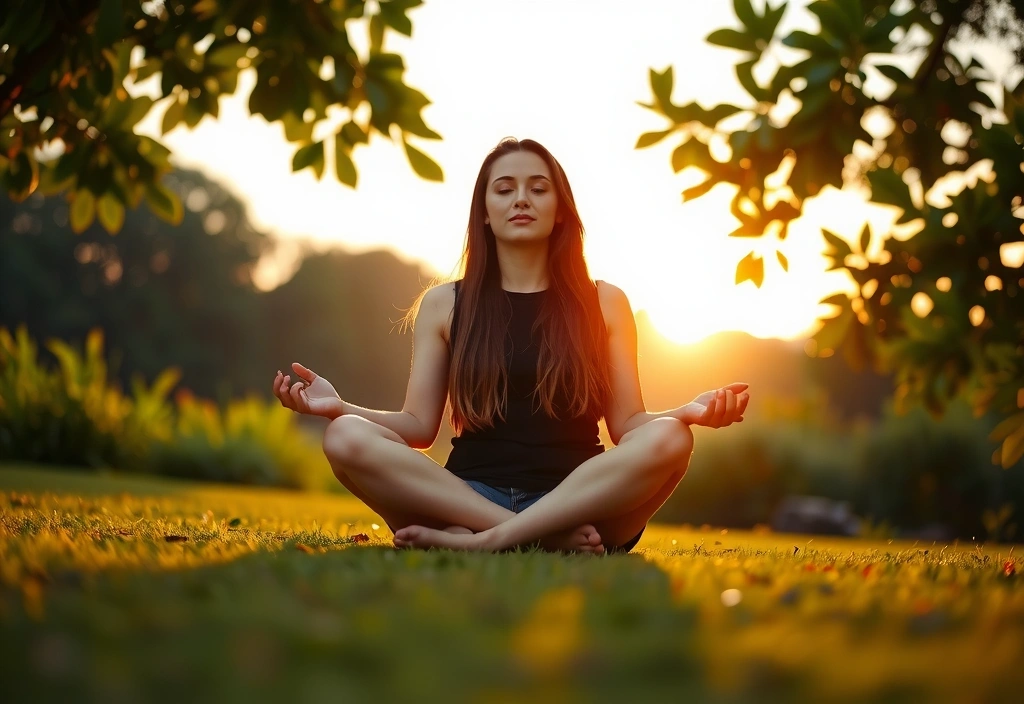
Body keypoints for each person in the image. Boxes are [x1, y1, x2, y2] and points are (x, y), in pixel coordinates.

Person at [271, 137, 749, 554]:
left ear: (561, 209)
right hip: (466, 497)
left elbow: (629, 426)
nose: (522, 199)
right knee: (343, 436)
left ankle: (486, 542)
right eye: (504, 189)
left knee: (672, 438)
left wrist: (686, 411)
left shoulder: (606, 301)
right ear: (484, 209)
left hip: (582, 501)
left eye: (538, 189)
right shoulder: (444, 304)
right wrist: (338, 407)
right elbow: (417, 428)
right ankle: (534, 536)